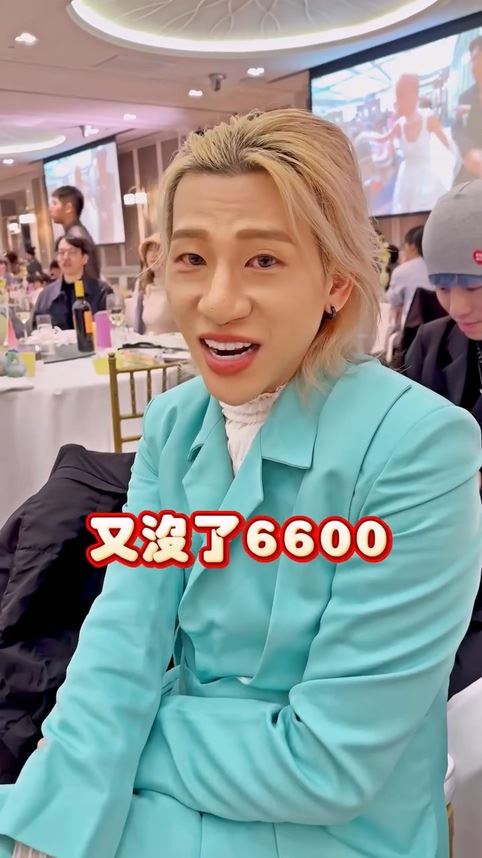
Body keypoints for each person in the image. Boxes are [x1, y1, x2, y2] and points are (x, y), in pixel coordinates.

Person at [1, 110, 481, 858]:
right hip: (178, 792)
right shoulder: (174, 424)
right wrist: (65, 790)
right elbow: (126, 628)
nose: (218, 302)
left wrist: (105, 747)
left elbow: (330, 762)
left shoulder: (418, 446)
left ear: (335, 280)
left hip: (334, 832)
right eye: (192, 258)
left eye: (263, 260)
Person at [403, 179, 482, 697]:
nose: (457, 305)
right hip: (436, 569)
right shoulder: (432, 345)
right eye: (443, 287)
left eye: (474, 286)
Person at [32, 235, 110, 330]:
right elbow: (35, 329)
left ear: (84, 258)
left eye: (72, 252)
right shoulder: (46, 295)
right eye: (61, 252)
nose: (66, 257)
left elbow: (110, 328)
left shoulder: (102, 291)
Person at [49, 185, 101, 280]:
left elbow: (84, 278)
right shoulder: (74, 233)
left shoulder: (76, 236)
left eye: (55, 203)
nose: (50, 208)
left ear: (68, 208)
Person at [387, 225, 432, 328]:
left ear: (413, 246)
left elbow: (394, 300)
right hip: (444, 327)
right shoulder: (442, 268)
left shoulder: (402, 270)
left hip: (413, 328)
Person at [133, 233, 177, 335]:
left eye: (158, 249)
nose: (153, 255)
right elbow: (134, 324)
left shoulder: (178, 286)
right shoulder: (141, 284)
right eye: (149, 250)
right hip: (146, 342)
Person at [452, 35, 482, 184]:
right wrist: (469, 150)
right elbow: (457, 129)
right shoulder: (465, 97)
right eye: (472, 60)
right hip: (472, 173)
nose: (472, 66)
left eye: (476, 59)